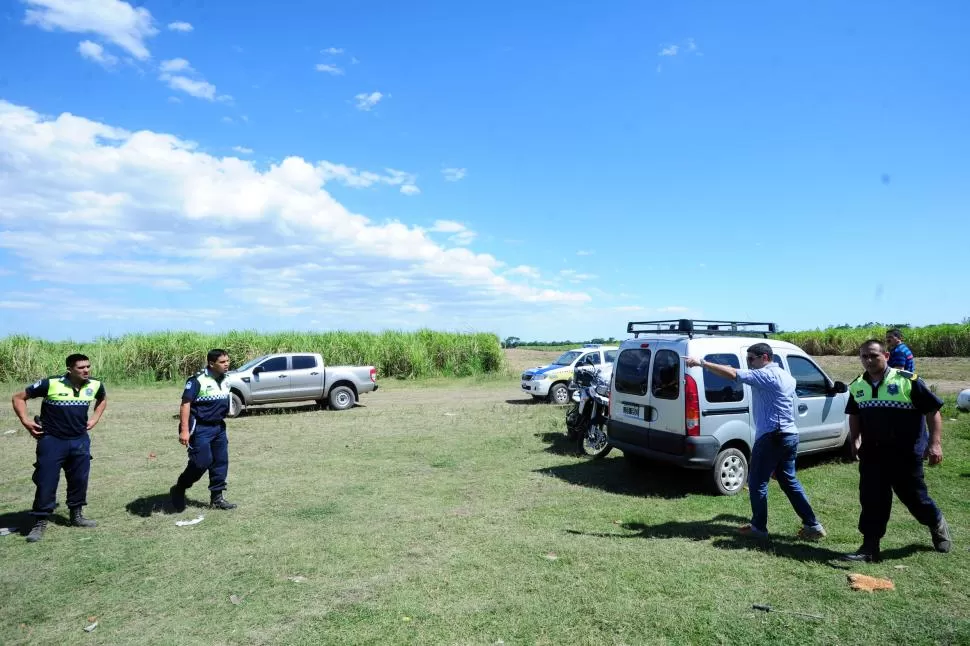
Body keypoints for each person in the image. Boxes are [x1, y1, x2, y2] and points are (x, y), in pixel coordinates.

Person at [686, 343, 825, 540]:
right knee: (788, 480)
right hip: (788, 435)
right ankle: (812, 525)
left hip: (772, 435)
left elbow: (733, 374)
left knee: (757, 481)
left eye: (752, 359)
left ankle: (758, 528)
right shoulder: (786, 376)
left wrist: (701, 363)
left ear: (765, 357)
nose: (749, 363)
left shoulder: (767, 375)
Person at [843, 339, 950, 562]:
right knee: (872, 500)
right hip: (872, 454)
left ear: (886, 356)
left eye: (874, 355)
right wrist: (855, 439)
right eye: (864, 356)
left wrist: (935, 443)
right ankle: (869, 547)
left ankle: (936, 523)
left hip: (905, 453)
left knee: (915, 499)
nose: (869, 360)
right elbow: (854, 414)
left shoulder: (907, 382)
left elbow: (932, 411)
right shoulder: (857, 386)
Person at [10, 354, 107, 542]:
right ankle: (40, 521)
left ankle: (77, 515)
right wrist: (26, 421)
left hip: (79, 441)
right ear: (70, 369)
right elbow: (18, 398)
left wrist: (94, 419)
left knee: (79, 479)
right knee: (46, 481)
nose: (86, 370)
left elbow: (102, 399)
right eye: (81, 368)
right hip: (52, 440)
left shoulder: (95, 384)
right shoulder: (51, 383)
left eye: (88, 366)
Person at [170, 349, 237, 512]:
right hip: (200, 427)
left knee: (220, 462)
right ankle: (180, 487)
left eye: (227, 361)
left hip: (219, 427)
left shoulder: (227, 379)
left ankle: (217, 498)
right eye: (222, 362)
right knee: (201, 462)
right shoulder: (197, 380)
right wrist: (184, 430)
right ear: (211, 364)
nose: (226, 364)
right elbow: (185, 404)